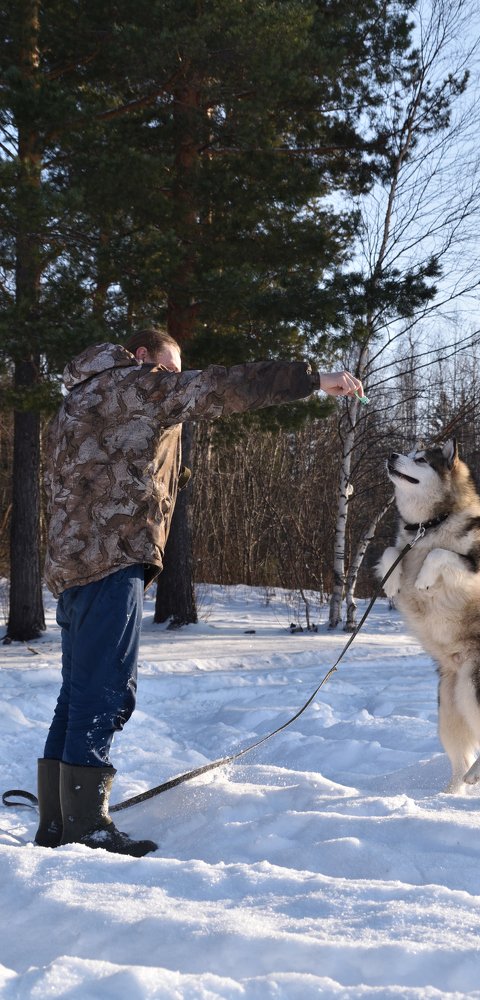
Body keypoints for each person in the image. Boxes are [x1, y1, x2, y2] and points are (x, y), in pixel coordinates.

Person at [37, 330, 363, 856]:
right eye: (168, 368)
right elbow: (222, 386)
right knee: (105, 693)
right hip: (111, 559)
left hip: (74, 564)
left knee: (77, 692)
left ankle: (56, 825)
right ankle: (85, 827)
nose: (172, 379)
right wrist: (313, 380)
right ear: (142, 357)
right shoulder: (137, 385)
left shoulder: (79, 398)